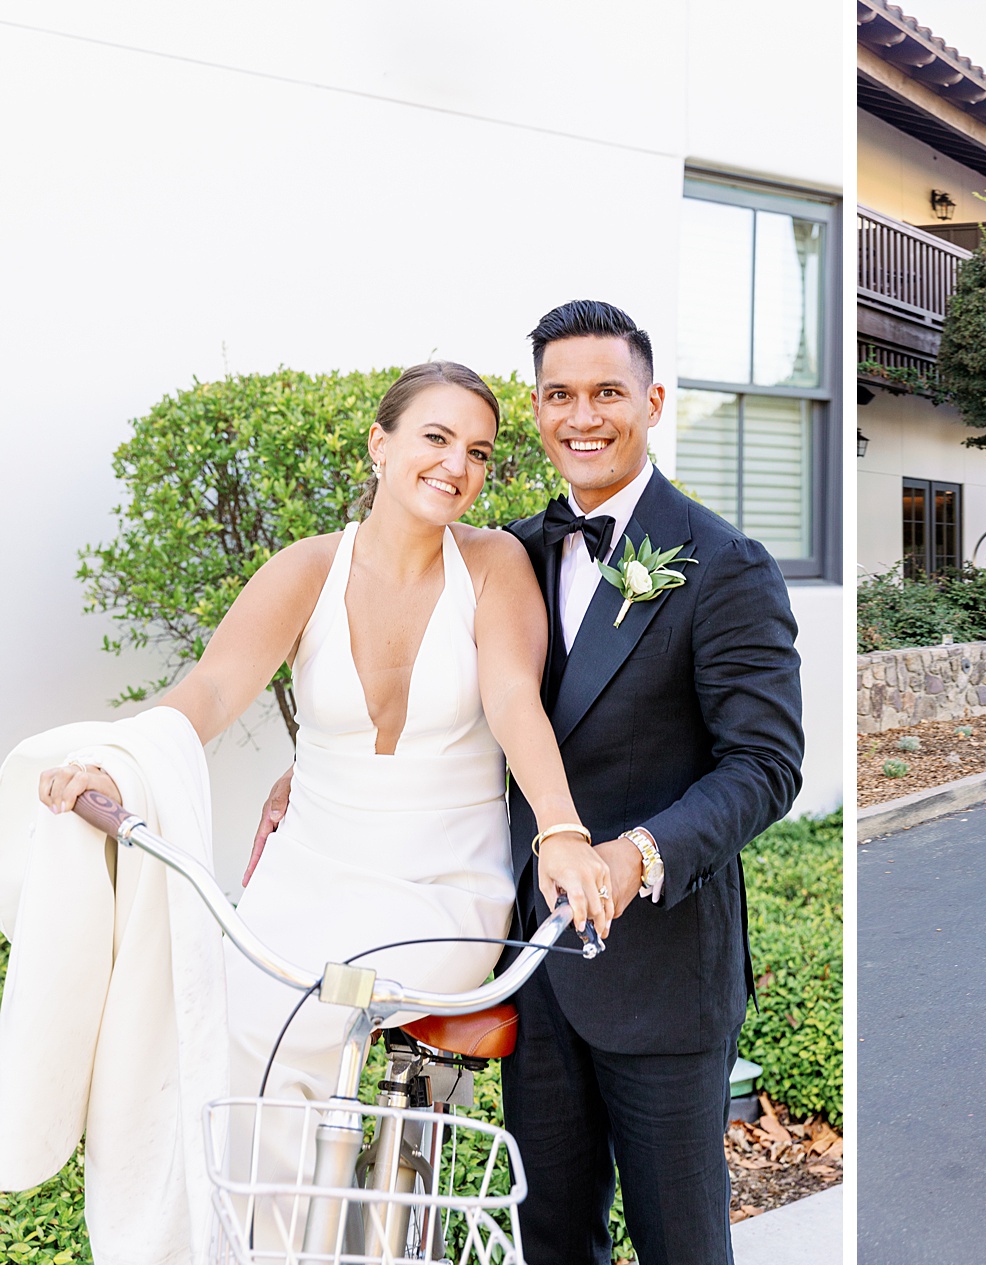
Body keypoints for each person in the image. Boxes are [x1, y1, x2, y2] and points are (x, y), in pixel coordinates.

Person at [252, 301, 805, 1265]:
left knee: (684, 1243)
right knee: (548, 1235)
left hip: (660, 970)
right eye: (559, 395)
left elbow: (765, 764)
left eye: (606, 393)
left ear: (653, 401)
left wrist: (641, 854)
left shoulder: (725, 564)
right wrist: (312, 770)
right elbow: (445, 704)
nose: (581, 416)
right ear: (539, 409)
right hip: (526, 962)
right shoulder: (505, 551)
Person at [36, 361, 615, 1146]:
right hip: (307, 869)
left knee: (295, 1009)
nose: (457, 465)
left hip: (441, 883)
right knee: (223, 1028)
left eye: (478, 452)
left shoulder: (493, 565)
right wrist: (122, 758)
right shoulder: (306, 569)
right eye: (436, 438)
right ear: (381, 443)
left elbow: (515, 701)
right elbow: (210, 690)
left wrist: (562, 829)